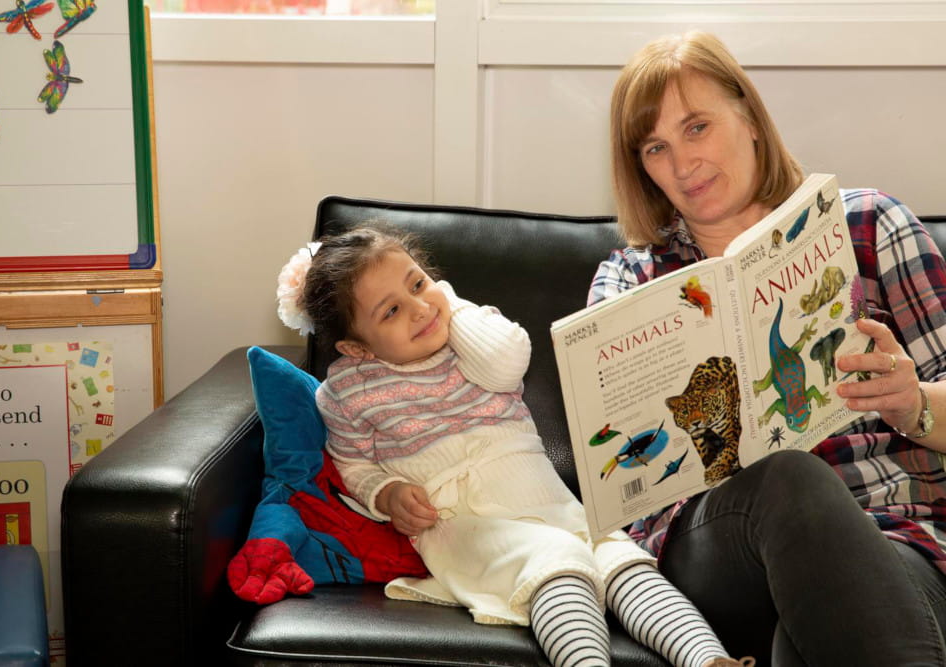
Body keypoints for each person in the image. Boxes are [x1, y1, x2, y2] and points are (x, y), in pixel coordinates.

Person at [593, 30, 946, 666]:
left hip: (898, 538)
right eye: (656, 147)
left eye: (697, 127)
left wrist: (913, 401)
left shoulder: (869, 225)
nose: (682, 165)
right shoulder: (630, 282)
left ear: (750, 118)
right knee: (787, 476)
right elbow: (618, 477)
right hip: (719, 550)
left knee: (805, 642)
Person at [275, 227, 753, 667]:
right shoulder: (345, 391)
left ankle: (706, 659)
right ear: (358, 349)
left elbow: (506, 364)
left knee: (621, 560)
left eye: (418, 284)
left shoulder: (472, 335)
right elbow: (353, 463)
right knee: (556, 567)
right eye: (392, 311)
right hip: (459, 519)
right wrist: (387, 493)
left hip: (542, 494)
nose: (420, 308)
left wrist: (452, 304)